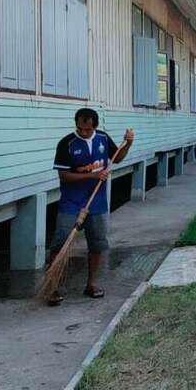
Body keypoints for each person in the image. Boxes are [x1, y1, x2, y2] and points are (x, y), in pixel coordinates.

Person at [47, 108, 134, 306]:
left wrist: (128, 144)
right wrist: (93, 175)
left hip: (97, 202)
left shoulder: (102, 138)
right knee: (60, 244)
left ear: (95, 126)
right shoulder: (66, 143)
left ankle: (91, 284)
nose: (83, 132)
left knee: (97, 244)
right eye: (79, 128)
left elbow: (117, 158)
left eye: (87, 129)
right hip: (71, 202)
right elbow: (64, 176)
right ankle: (52, 287)